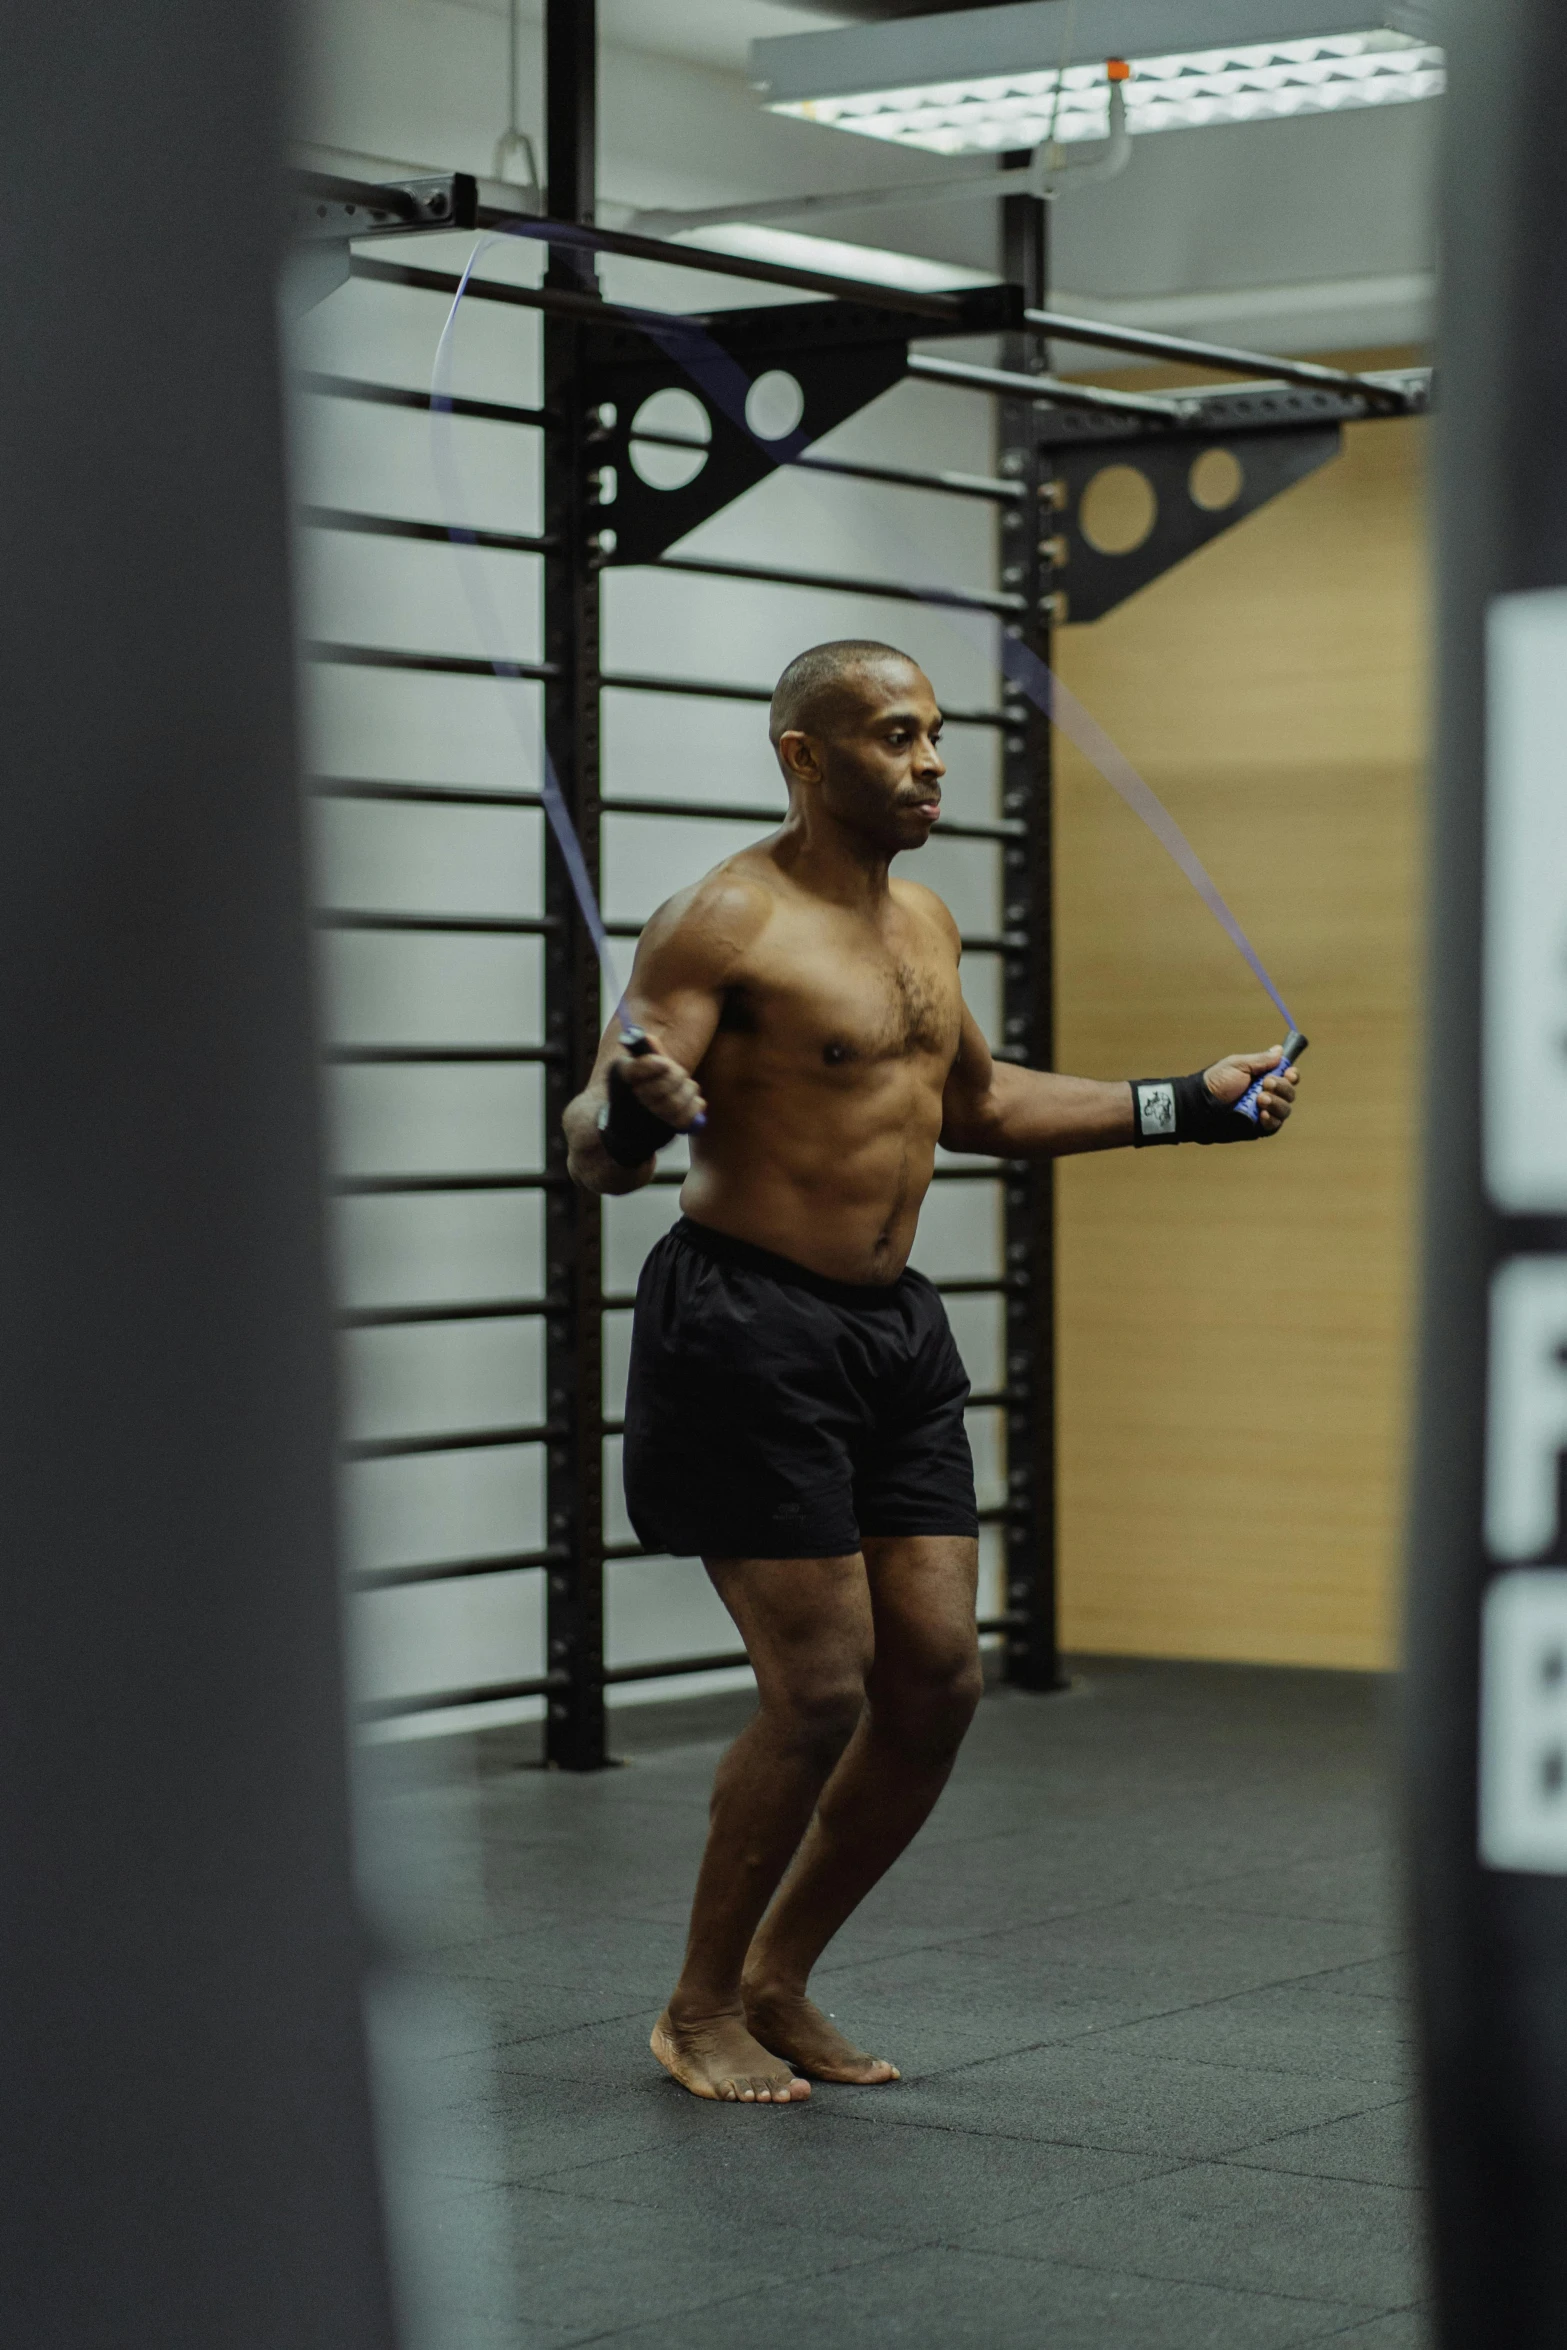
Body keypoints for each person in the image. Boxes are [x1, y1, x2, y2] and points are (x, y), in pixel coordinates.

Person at [563, 639, 1300, 2107]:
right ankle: (699, 2004)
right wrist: (636, 1114)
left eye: (935, 735)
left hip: (893, 1328)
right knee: (819, 1690)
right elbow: (594, 1139)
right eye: (895, 736)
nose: (929, 762)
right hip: (747, 1326)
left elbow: (975, 1100)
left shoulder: (925, 922)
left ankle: (779, 1976)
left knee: (939, 1682)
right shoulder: (722, 919)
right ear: (803, 755)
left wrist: (1181, 1107)